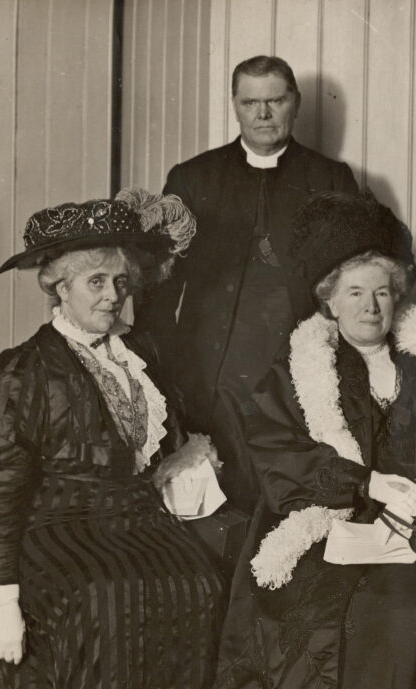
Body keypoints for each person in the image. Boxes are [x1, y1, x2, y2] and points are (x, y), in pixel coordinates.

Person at [199, 191, 416, 689]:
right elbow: (279, 459)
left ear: (398, 298)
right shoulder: (297, 370)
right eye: (356, 293)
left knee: (397, 607)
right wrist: (365, 483)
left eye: (382, 292)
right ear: (330, 301)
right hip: (321, 529)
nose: (370, 306)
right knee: (326, 617)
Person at [0, 191, 227, 689]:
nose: (113, 295)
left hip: (137, 519)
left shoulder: (138, 355)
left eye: (120, 281)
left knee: (199, 585)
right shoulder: (23, 368)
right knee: (106, 598)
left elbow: (156, 449)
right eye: (96, 282)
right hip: (56, 525)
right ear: (59, 287)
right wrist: (2, 596)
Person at [140, 55, 359, 511]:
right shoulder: (192, 177)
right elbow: (160, 286)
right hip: (211, 362)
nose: (262, 114)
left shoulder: (330, 178)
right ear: (234, 105)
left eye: (275, 101)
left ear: (295, 104)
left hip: (294, 356)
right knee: (217, 493)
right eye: (250, 103)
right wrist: (156, 362)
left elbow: (352, 279)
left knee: (288, 488)